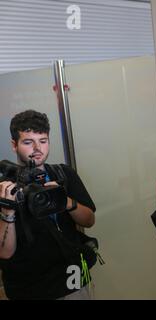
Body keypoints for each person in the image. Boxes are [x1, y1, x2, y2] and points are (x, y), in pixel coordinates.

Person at [0, 110, 96, 300]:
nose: (37, 148)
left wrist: (65, 201)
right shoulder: (5, 189)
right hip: (30, 288)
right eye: (28, 142)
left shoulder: (63, 174)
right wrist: (8, 210)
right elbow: (5, 252)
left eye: (43, 141)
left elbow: (89, 220)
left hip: (74, 278)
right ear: (14, 145)